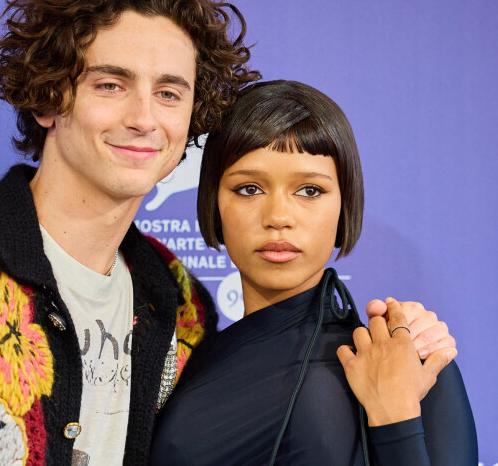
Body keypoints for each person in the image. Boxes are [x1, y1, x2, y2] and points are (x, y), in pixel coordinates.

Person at [0, 0, 454, 466]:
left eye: (170, 93)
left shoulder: (180, 305)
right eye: (111, 84)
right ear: (47, 98)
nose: (143, 118)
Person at [150, 80, 477, 465]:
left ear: (345, 206)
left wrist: (394, 419)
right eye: (249, 188)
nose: (278, 218)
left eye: (309, 191)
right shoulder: (178, 361)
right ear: (214, 202)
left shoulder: (412, 363)